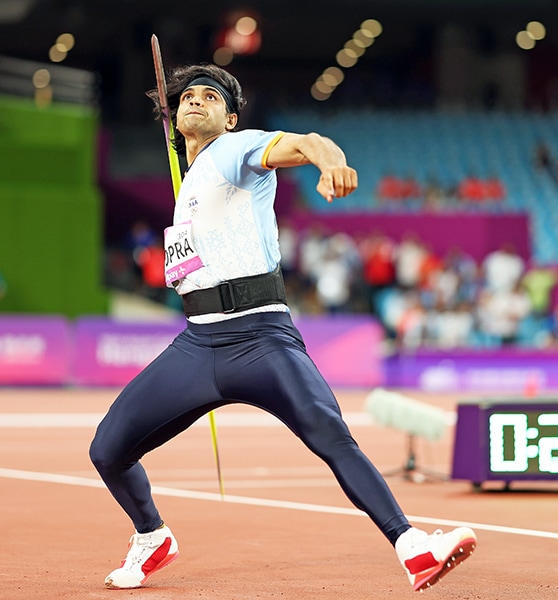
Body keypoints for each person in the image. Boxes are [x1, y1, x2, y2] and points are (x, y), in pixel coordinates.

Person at [89, 63, 476, 593]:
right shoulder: (190, 184)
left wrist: (331, 162)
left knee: (330, 434)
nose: (196, 102)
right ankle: (151, 535)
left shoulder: (236, 149)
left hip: (261, 340)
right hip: (199, 345)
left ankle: (413, 546)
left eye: (210, 97)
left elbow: (309, 142)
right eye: (187, 98)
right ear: (174, 116)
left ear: (229, 118)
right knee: (107, 450)